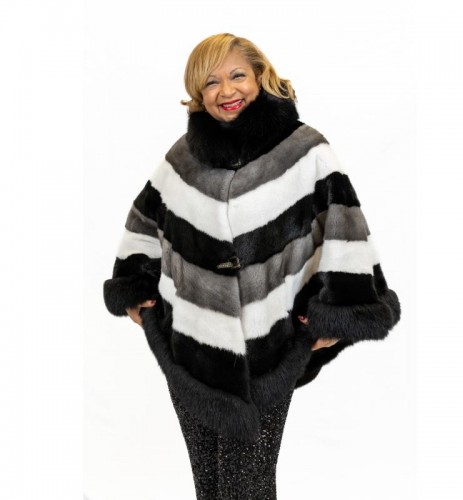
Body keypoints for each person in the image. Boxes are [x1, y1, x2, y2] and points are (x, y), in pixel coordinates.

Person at [103, 33, 401, 500]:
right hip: (191, 353)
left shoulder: (306, 151)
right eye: (211, 82)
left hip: (268, 354)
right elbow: (145, 222)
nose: (226, 90)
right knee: (209, 487)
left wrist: (338, 315)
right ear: (197, 93)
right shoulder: (182, 159)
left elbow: (344, 228)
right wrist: (134, 291)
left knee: (248, 488)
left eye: (237, 75)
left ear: (260, 76)